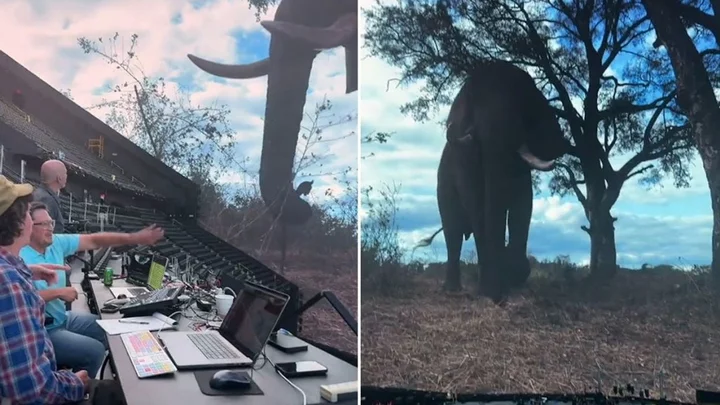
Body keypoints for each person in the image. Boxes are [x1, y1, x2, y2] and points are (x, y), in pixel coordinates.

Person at [19, 201, 165, 378]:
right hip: (44, 330)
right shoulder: (19, 255)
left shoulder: (55, 242)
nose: (49, 228)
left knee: (106, 329)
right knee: (95, 351)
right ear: (28, 227)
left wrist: (134, 238)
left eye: (51, 223)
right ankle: (78, 391)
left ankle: (78, 375)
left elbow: (94, 240)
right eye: (43, 224)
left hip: (62, 318)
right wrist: (57, 293)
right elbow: (19, 300)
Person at [0, 175, 89, 404]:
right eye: (28, 214)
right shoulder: (7, 283)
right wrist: (77, 384)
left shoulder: (10, 270)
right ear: (20, 223)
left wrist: (29, 271)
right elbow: (32, 392)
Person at [32, 159, 67, 233]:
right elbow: (45, 234)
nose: (66, 176)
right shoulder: (47, 200)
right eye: (65, 173)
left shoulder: (39, 194)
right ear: (59, 178)